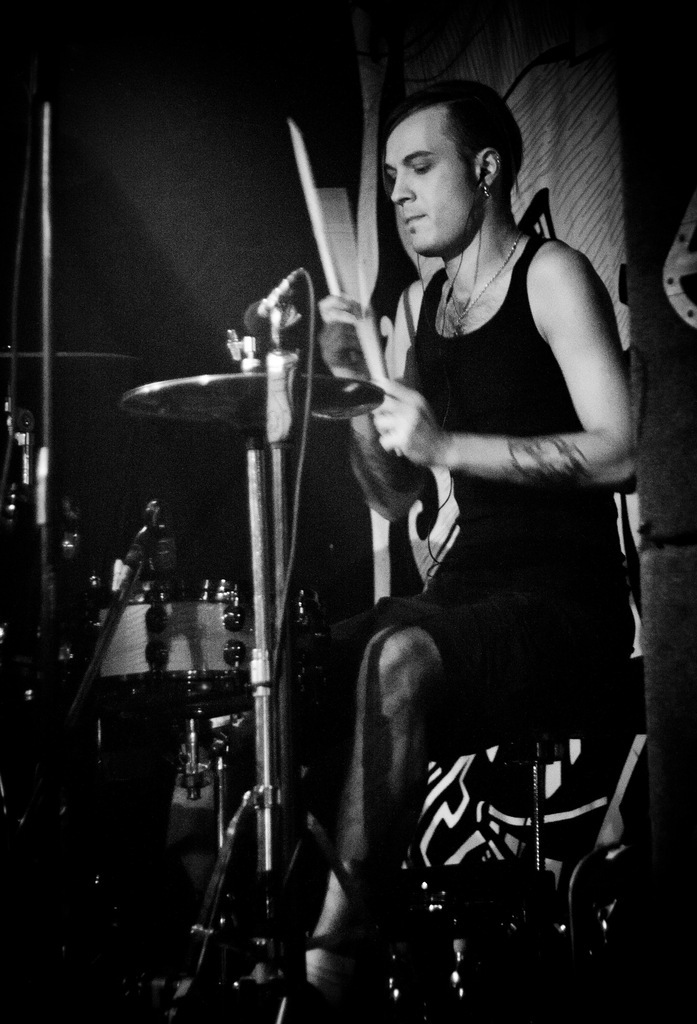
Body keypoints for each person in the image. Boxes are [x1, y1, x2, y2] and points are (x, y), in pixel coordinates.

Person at [302, 79, 636, 1011]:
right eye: (389, 178)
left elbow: (622, 450)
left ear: (485, 169)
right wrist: (355, 396)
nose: (400, 194)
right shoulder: (422, 305)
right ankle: (256, 929)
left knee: (399, 658)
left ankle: (331, 966)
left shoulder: (550, 273)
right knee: (297, 665)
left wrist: (448, 445)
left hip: (565, 599)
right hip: (469, 588)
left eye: (419, 168)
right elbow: (394, 491)